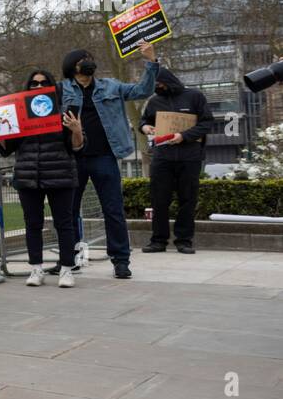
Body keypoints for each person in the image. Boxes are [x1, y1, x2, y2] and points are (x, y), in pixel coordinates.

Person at [59, 41, 158, 279]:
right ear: (74, 66)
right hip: (73, 157)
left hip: (105, 156)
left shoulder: (111, 85)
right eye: (85, 58)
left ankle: (121, 260)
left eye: (91, 58)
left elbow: (142, 91)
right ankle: (67, 260)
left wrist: (152, 61)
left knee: (113, 210)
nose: (90, 61)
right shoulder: (60, 90)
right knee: (68, 211)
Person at [0, 69, 86, 288]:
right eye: (34, 83)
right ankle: (36, 268)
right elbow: (7, 149)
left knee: (64, 223)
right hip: (28, 176)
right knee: (32, 223)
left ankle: (67, 269)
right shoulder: (17, 113)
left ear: (52, 87)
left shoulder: (64, 111)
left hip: (60, 175)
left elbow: (76, 147)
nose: (38, 87)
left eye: (43, 83)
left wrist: (77, 130)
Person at [140, 67, 213, 254]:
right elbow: (144, 121)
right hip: (162, 157)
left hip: (190, 157)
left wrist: (184, 136)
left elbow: (206, 123)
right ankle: (158, 240)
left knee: (187, 199)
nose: (158, 87)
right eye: (155, 85)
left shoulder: (195, 96)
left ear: (168, 81)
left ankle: (184, 240)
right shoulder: (154, 101)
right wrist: (145, 127)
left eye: (160, 84)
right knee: (159, 199)